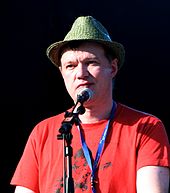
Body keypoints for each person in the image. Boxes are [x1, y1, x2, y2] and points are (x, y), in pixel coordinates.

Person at [11, 16, 170, 193]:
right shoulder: (43, 132)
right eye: (70, 66)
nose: (80, 73)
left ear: (113, 68)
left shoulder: (146, 127)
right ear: (62, 73)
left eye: (91, 63)